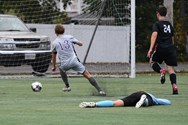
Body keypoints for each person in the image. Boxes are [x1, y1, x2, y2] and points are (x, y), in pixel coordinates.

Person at [51, 24, 106, 96]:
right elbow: (80, 44)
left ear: (55, 32)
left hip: (65, 64)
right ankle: (100, 90)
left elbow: (54, 55)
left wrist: (54, 66)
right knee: (87, 74)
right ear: (64, 31)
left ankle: (67, 86)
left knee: (61, 68)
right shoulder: (69, 37)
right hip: (74, 61)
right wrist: (78, 43)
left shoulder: (54, 42)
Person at [147, 6, 178, 94]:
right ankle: (174, 85)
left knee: (152, 61)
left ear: (158, 13)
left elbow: (154, 34)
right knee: (170, 68)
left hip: (161, 48)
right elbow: (172, 36)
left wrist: (150, 49)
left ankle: (161, 71)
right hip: (170, 49)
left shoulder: (157, 24)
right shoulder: (169, 24)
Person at [79, 91, 171, 108]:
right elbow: (167, 102)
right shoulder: (153, 97)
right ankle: (144, 100)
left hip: (134, 95)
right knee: (149, 103)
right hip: (145, 95)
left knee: (114, 103)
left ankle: (96, 104)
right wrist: (157, 102)